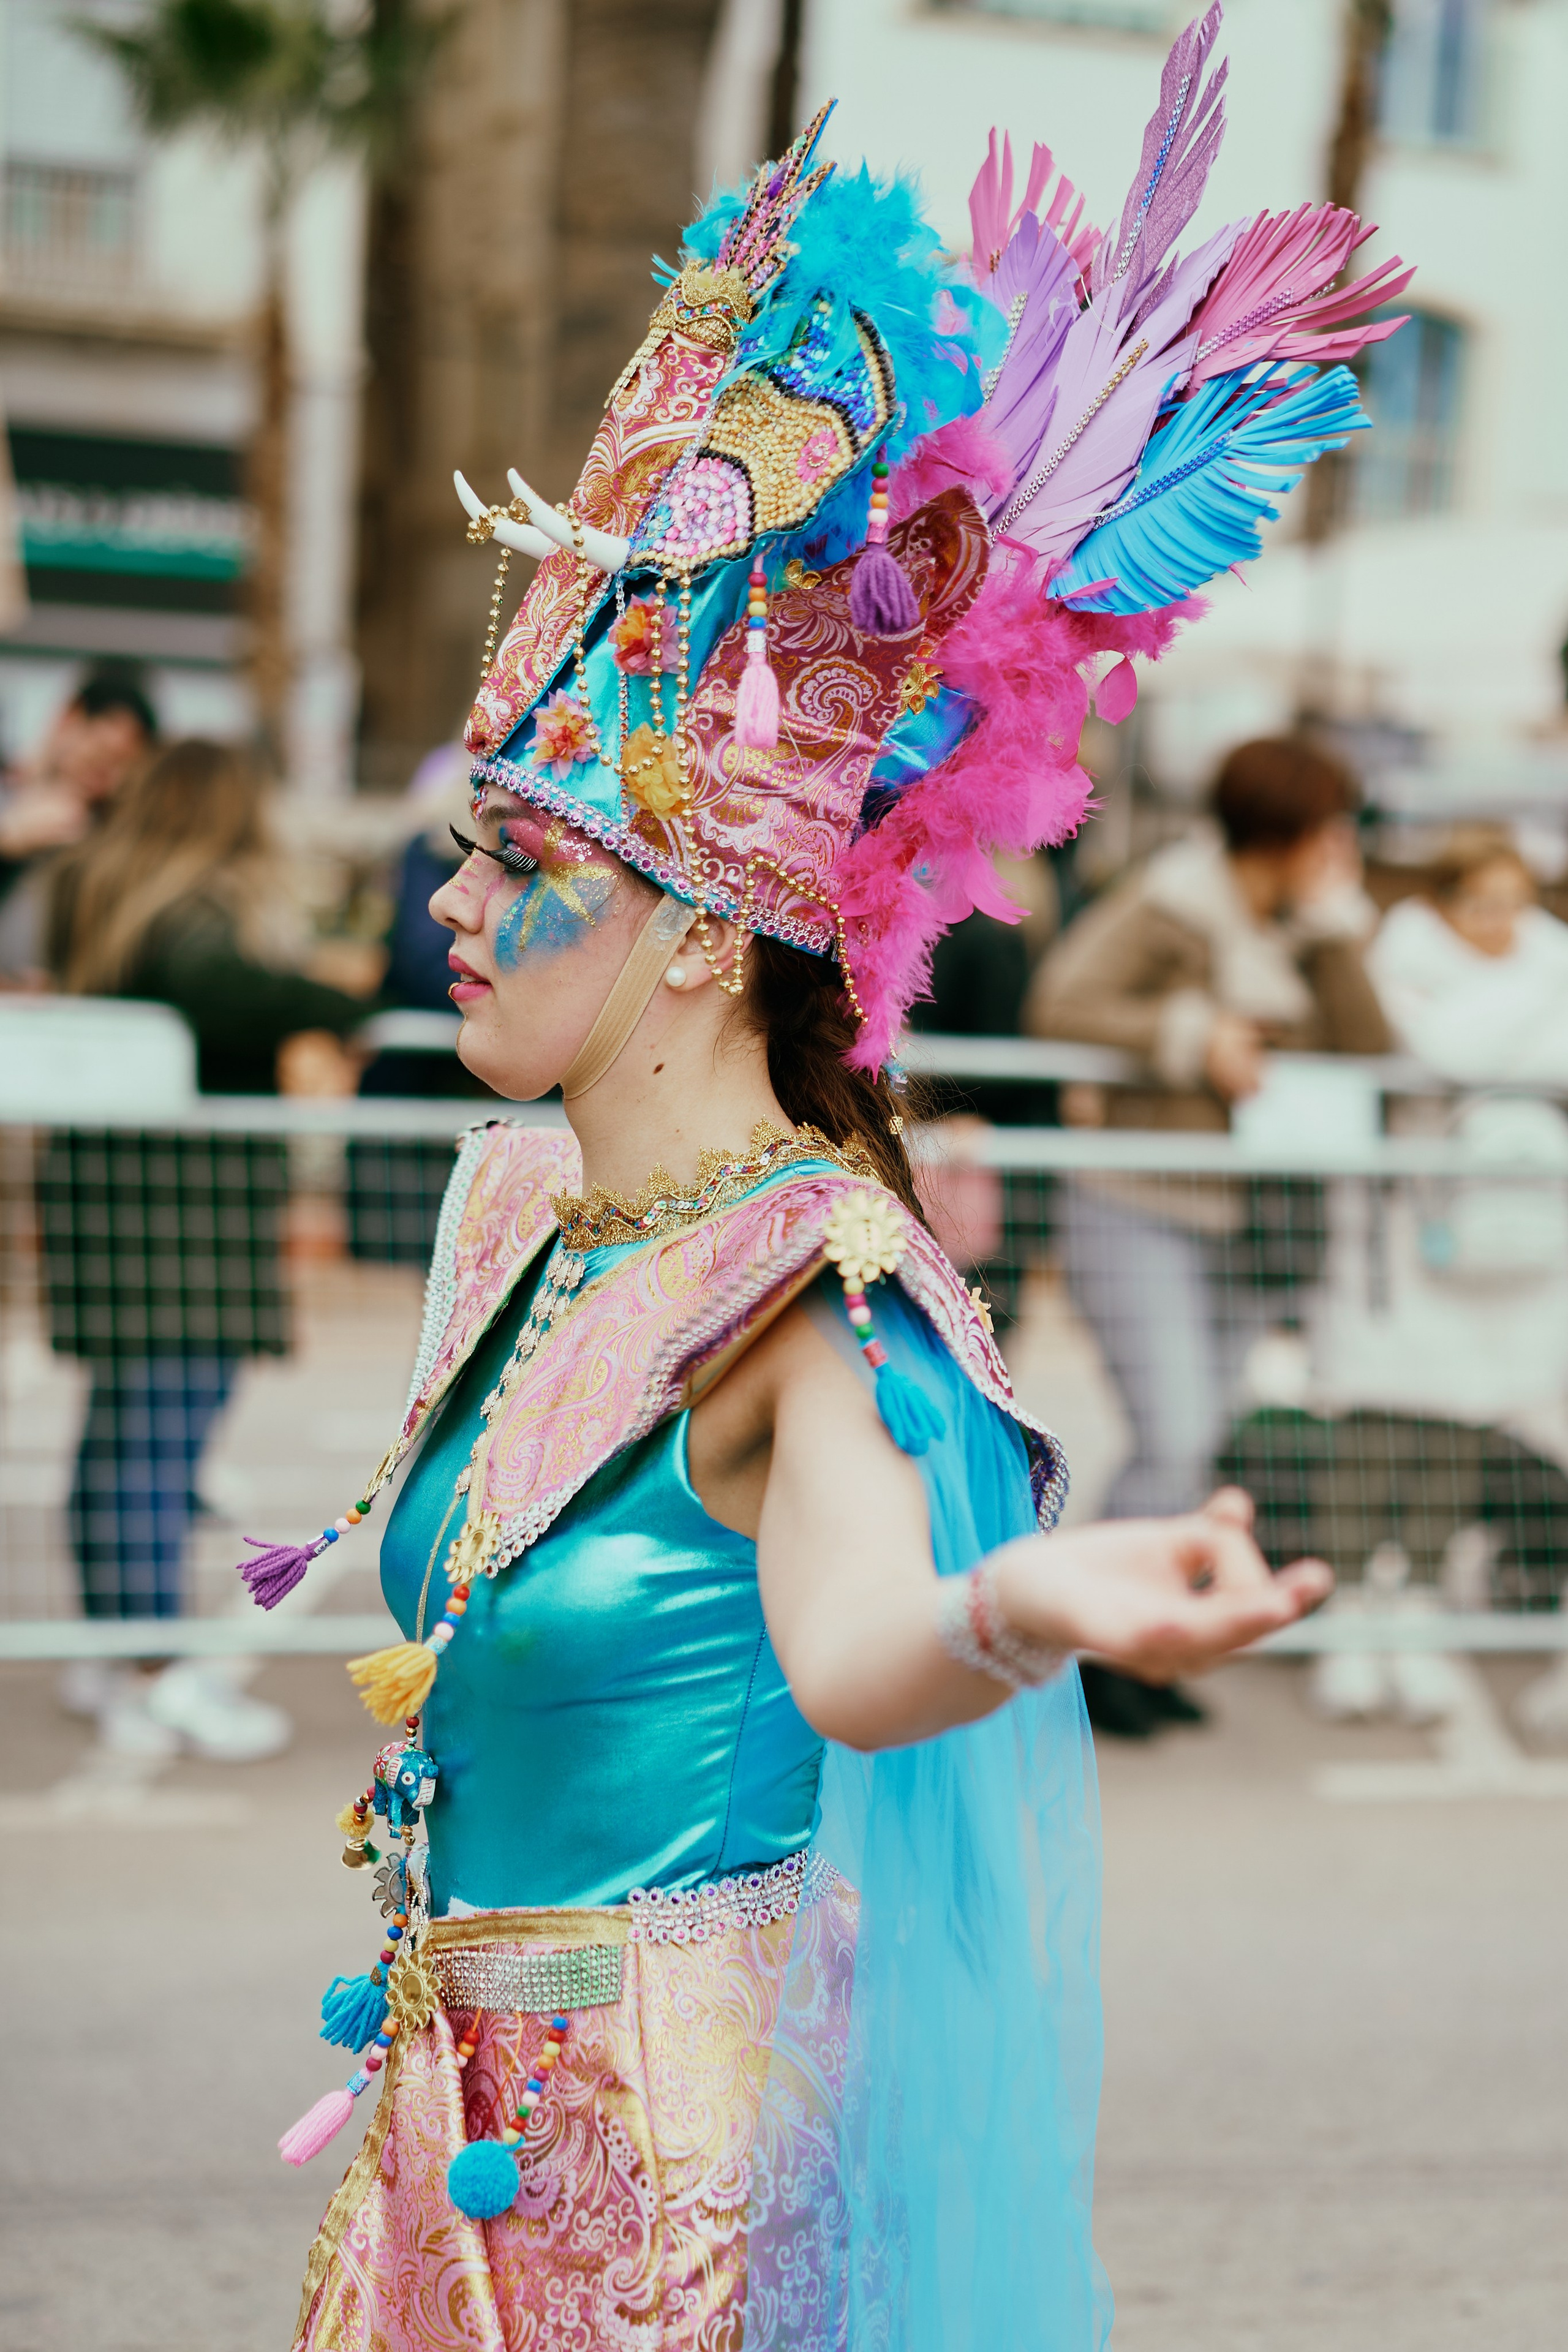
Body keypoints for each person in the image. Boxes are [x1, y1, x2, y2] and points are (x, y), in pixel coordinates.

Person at [234, 40, 1405, 2345]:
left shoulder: (810, 1283)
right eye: (471, 849)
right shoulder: (506, 1212)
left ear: (695, 926)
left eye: (526, 860)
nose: (451, 905)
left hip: (674, 2197)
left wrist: (1038, 1597)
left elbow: (858, 1653)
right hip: (437, 2138)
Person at [1026, 737, 1392, 1733]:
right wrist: (1194, 1037)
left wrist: (1335, 933)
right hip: (1139, 1200)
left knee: (1198, 1450)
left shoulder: (1313, 926)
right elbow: (1065, 995)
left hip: (1251, 1224)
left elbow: (1375, 1051)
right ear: (1289, 829)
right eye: (1329, 826)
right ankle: (1071, 1635)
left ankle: (1140, 1647)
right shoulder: (1172, 901)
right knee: (1174, 1436)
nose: (1341, 844)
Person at [42, 737, 372, 1761]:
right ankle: (151, 1671)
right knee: (159, 1435)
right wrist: (333, 999)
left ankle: (120, 1651)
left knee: (123, 1436)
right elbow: (223, 988)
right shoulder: (185, 916)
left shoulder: (102, 893)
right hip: (180, 1217)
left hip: (113, 1202)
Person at [1368, 826, 1568, 1082]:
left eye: (1515, 902)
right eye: (1483, 905)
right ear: (1442, 901)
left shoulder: (1543, 938)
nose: (1500, 920)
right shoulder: (1408, 945)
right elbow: (1433, 1049)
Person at [0, 666, 157, 979]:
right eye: (100, 753)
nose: (104, 780)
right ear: (68, 720)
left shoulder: (110, 841)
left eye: (120, 768)